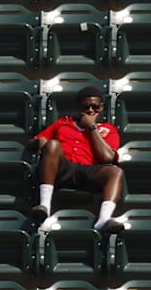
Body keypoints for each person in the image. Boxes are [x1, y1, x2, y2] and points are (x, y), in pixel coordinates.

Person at [27, 86, 125, 233]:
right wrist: (39, 142)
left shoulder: (107, 129)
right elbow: (33, 142)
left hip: (89, 171)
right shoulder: (63, 123)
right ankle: (44, 206)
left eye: (95, 107)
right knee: (52, 144)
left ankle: (104, 219)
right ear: (78, 107)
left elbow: (107, 157)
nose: (91, 110)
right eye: (86, 106)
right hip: (62, 168)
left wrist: (92, 127)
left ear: (101, 107)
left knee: (115, 172)